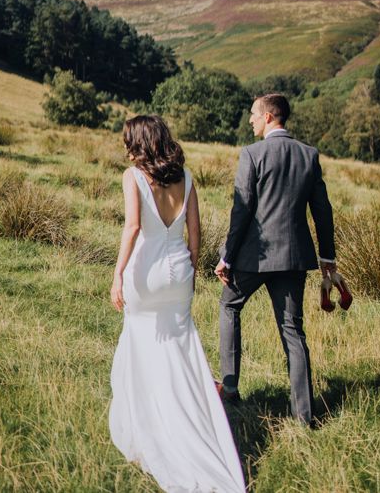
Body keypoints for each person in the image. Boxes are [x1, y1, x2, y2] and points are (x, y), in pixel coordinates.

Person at [109, 115, 246, 493]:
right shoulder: (185, 178)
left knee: (142, 344)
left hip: (146, 273)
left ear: (139, 141)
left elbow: (133, 227)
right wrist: (191, 263)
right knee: (181, 349)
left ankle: (150, 428)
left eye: (127, 139)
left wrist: (118, 273)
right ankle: (193, 420)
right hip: (179, 272)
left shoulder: (133, 176)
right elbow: (195, 230)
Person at [215, 94, 352, 425]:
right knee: (293, 330)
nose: (250, 120)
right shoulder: (309, 155)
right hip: (293, 258)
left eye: (253, 115)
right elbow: (322, 211)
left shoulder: (252, 154)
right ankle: (304, 414)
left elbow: (242, 209)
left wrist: (226, 257)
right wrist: (327, 258)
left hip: (253, 257)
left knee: (229, 306)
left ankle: (230, 388)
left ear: (269, 117)